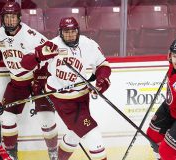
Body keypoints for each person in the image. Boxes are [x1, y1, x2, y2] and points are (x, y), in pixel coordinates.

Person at [20, 17, 111, 160]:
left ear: (78, 31)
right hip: (63, 99)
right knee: (93, 136)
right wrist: (39, 55)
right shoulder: (52, 45)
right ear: (60, 32)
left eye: (72, 31)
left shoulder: (88, 44)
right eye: (66, 32)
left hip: (82, 97)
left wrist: (101, 79)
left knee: (75, 133)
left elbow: (103, 65)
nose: (69, 35)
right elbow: (25, 63)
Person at [0, 1, 58, 160]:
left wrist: (40, 78)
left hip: (38, 80)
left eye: (13, 17)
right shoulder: (0, 33)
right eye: (7, 17)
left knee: (46, 119)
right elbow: (2, 50)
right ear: (2, 19)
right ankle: (11, 154)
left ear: (19, 18)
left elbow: (52, 50)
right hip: (17, 82)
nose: (10, 21)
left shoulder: (30, 35)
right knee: (6, 118)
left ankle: (53, 153)